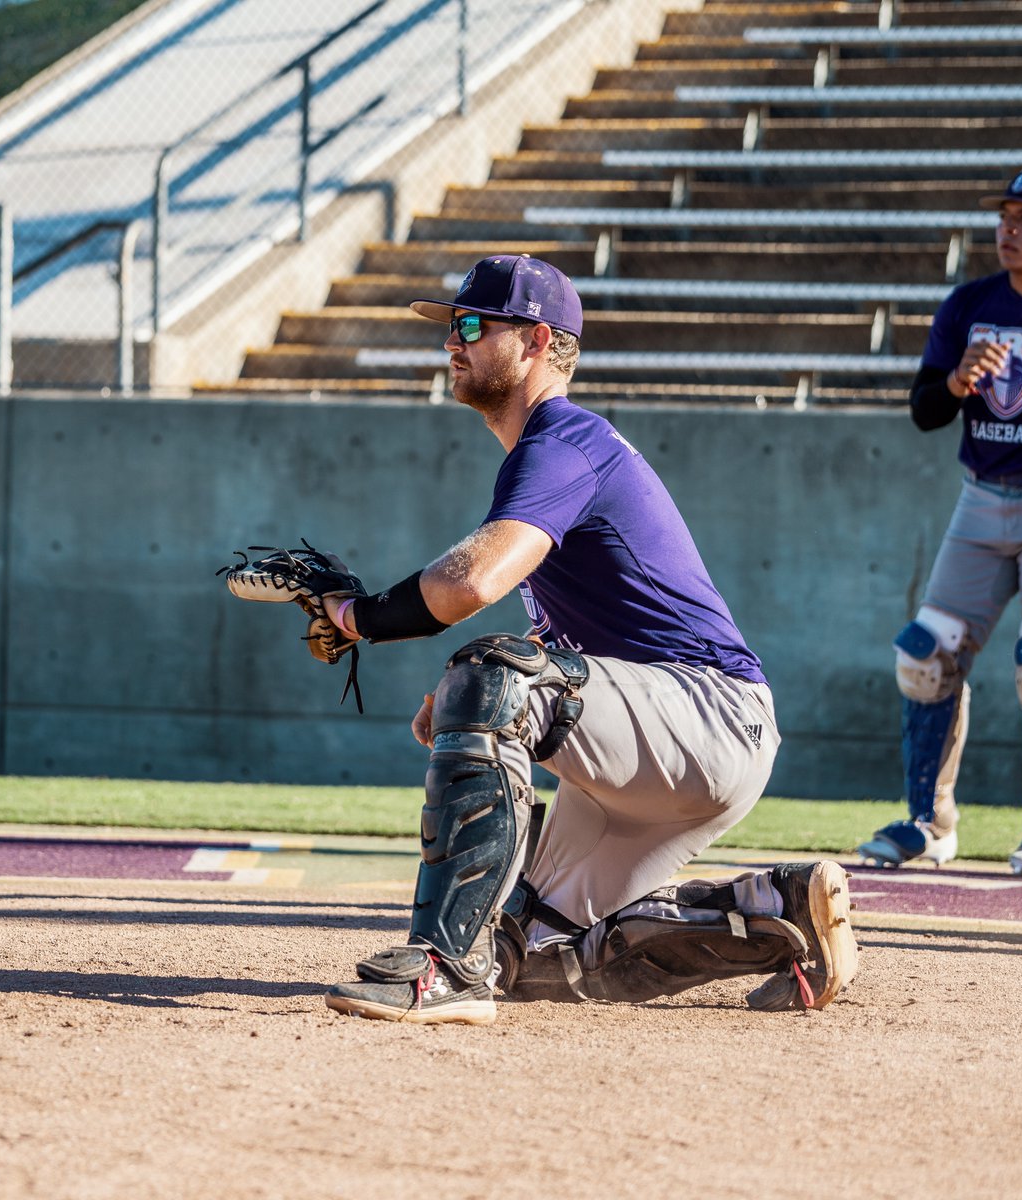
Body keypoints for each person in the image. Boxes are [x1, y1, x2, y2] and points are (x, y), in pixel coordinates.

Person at [317, 254, 858, 1025]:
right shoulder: (552, 450)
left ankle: (441, 967)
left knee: (491, 672)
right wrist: (473, 703)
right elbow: (564, 635)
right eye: (451, 326)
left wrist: (355, 616)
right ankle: (780, 913)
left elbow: (470, 585)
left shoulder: (563, 442)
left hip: (706, 715)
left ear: (538, 341)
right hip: (656, 749)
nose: (452, 341)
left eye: (472, 325)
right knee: (529, 959)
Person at [859, 164, 1022, 879]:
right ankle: (930, 824)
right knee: (925, 655)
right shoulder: (969, 303)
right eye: (1005, 216)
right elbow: (925, 409)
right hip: (980, 499)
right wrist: (957, 380)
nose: (1009, 229)